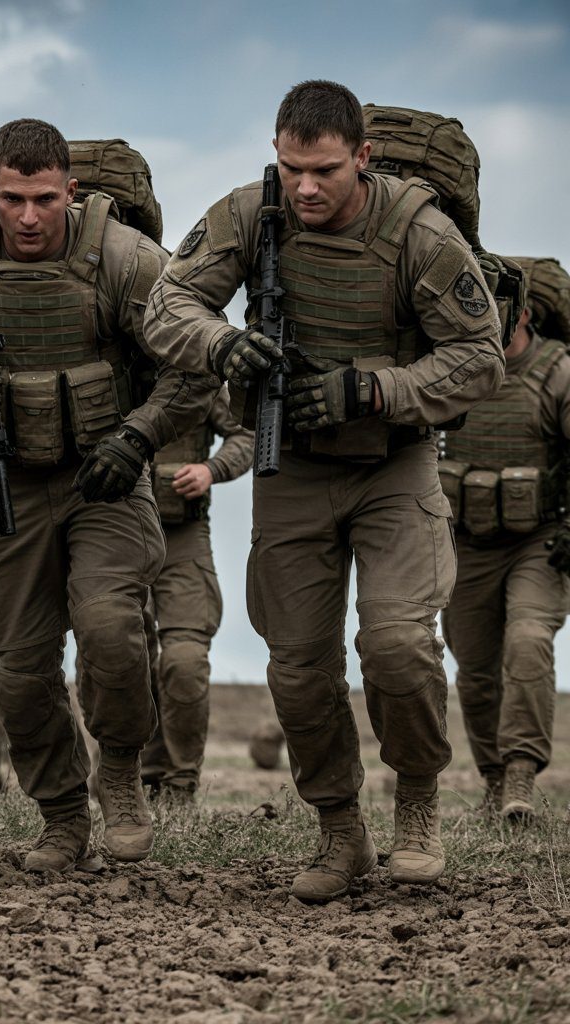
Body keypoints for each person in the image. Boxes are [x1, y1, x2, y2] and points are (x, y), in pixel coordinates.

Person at [143, 80, 503, 901]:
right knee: (298, 668)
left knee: (399, 646)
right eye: (292, 167)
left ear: (363, 158)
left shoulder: (419, 231)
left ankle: (416, 802)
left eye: (326, 171)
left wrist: (371, 390)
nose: (306, 187)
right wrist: (221, 345)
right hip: (292, 464)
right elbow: (167, 303)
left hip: (393, 464)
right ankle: (340, 829)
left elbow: (481, 357)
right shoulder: (247, 215)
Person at [0, 117, 216, 871]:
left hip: (108, 480)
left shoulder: (126, 260)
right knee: (18, 669)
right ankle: (62, 814)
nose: (27, 217)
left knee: (111, 632)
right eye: (11, 200)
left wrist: (136, 437)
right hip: (11, 483)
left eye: (42, 199)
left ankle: (122, 773)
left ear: (71, 189)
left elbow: (196, 367)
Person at [440, 273, 570, 822]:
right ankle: (493, 781)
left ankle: (520, 774)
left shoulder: (557, 373)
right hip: (465, 543)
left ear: (522, 314)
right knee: (474, 667)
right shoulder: (449, 369)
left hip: (539, 540)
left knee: (527, 639)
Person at [142, 385, 253, 799]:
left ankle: (180, 786)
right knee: (118, 656)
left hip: (182, 534)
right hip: (112, 533)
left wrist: (212, 468)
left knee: (185, 661)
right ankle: (133, 777)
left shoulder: (197, 375)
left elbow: (247, 434)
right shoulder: (111, 359)